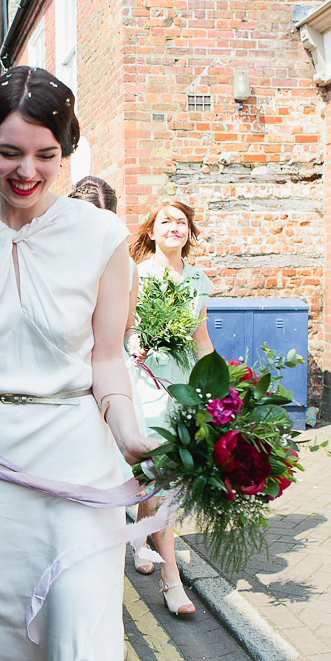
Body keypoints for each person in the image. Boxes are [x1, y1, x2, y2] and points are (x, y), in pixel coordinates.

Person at [0, 66, 154, 661]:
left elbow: (107, 362)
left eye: (45, 155)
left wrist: (134, 436)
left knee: (85, 658)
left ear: (66, 152)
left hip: (78, 466)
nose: (26, 170)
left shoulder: (102, 238)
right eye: (9, 153)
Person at [126, 200, 215, 615]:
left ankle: (141, 539)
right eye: (166, 221)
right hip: (145, 383)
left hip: (181, 388)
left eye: (181, 222)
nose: (174, 227)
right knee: (154, 475)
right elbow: (125, 329)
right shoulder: (138, 275)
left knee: (160, 478)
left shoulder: (198, 280)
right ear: (151, 231)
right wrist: (133, 344)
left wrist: (221, 388)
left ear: (189, 232)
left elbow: (201, 340)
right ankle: (171, 579)